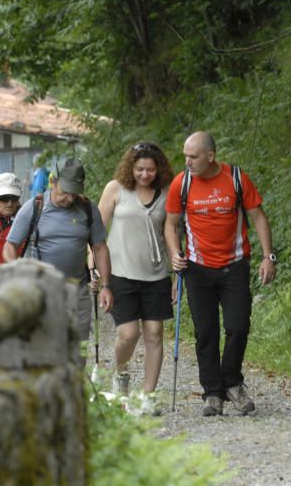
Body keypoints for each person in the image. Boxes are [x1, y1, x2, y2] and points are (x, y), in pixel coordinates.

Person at [163, 131, 276, 417]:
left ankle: (232, 382)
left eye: (193, 156)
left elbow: (258, 216)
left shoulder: (235, 178)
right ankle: (212, 393)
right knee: (206, 331)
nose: (187, 162)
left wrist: (267, 256)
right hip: (198, 268)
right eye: (185, 156)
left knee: (238, 326)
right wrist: (175, 253)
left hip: (234, 265)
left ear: (210, 156)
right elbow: (170, 224)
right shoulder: (182, 183)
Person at [3, 158, 114, 340]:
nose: (70, 199)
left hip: (77, 295)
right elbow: (10, 245)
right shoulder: (35, 207)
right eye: (65, 192)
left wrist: (106, 286)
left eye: (75, 193)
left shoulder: (87, 208)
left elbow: (100, 248)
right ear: (53, 182)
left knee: (78, 353)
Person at [97, 142, 174, 397]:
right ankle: (121, 372)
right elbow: (97, 232)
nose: (144, 175)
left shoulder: (166, 193)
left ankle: (148, 395)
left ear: (158, 169)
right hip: (120, 273)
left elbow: (171, 232)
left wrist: (176, 271)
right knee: (128, 333)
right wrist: (94, 269)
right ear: (131, 167)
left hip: (156, 274)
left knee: (154, 333)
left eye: (150, 170)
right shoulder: (115, 189)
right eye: (140, 169)